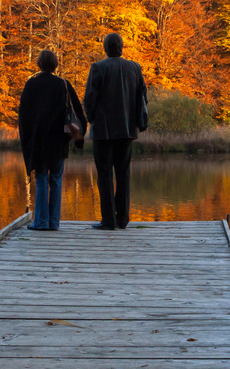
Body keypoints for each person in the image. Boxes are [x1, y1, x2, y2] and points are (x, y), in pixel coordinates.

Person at [82, 32, 149, 230]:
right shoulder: (134, 68)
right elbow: (142, 97)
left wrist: (91, 118)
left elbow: (89, 99)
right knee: (123, 174)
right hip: (127, 130)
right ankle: (123, 219)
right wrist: (137, 121)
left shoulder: (98, 68)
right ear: (121, 47)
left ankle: (109, 220)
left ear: (105, 48)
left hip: (103, 131)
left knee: (104, 175)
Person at [17, 49, 84, 231]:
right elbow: (78, 111)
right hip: (58, 141)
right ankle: (54, 222)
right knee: (56, 180)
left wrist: (27, 141)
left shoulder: (31, 85)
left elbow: (23, 117)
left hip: (39, 141)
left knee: (40, 180)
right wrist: (78, 137)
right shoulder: (63, 84)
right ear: (55, 64)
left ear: (39, 64)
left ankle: (40, 222)